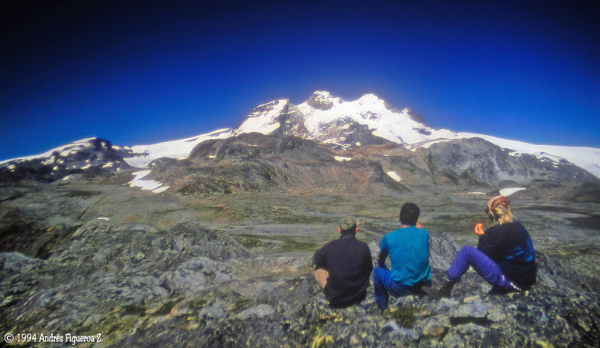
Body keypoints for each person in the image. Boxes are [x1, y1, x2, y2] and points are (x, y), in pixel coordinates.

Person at [423, 196, 537, 298]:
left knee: (467, 251)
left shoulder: (502, 230)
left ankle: (445, 287)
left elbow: (486, 254)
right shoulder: (518, 227)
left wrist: (482, 237)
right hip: (525, 281)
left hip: (511, 281)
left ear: (492, 212)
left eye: (487, 211)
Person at [373, 203, 431, 311]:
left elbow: (380, 259)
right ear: (417, 219)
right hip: (424, 286)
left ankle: (383, 308)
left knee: (377, 271)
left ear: (399, 218)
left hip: (400, 287)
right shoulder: (424, 233)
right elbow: (419, 227)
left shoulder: (389, 237)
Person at [312, 217, 373, 308]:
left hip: (335, 298)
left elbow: (315, 259)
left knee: (319, 268)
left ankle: (328, 290)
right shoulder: (364, 246)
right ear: (356, 230)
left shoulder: (330, 246)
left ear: (339, 230)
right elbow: (369, 269)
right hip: (359, 296)